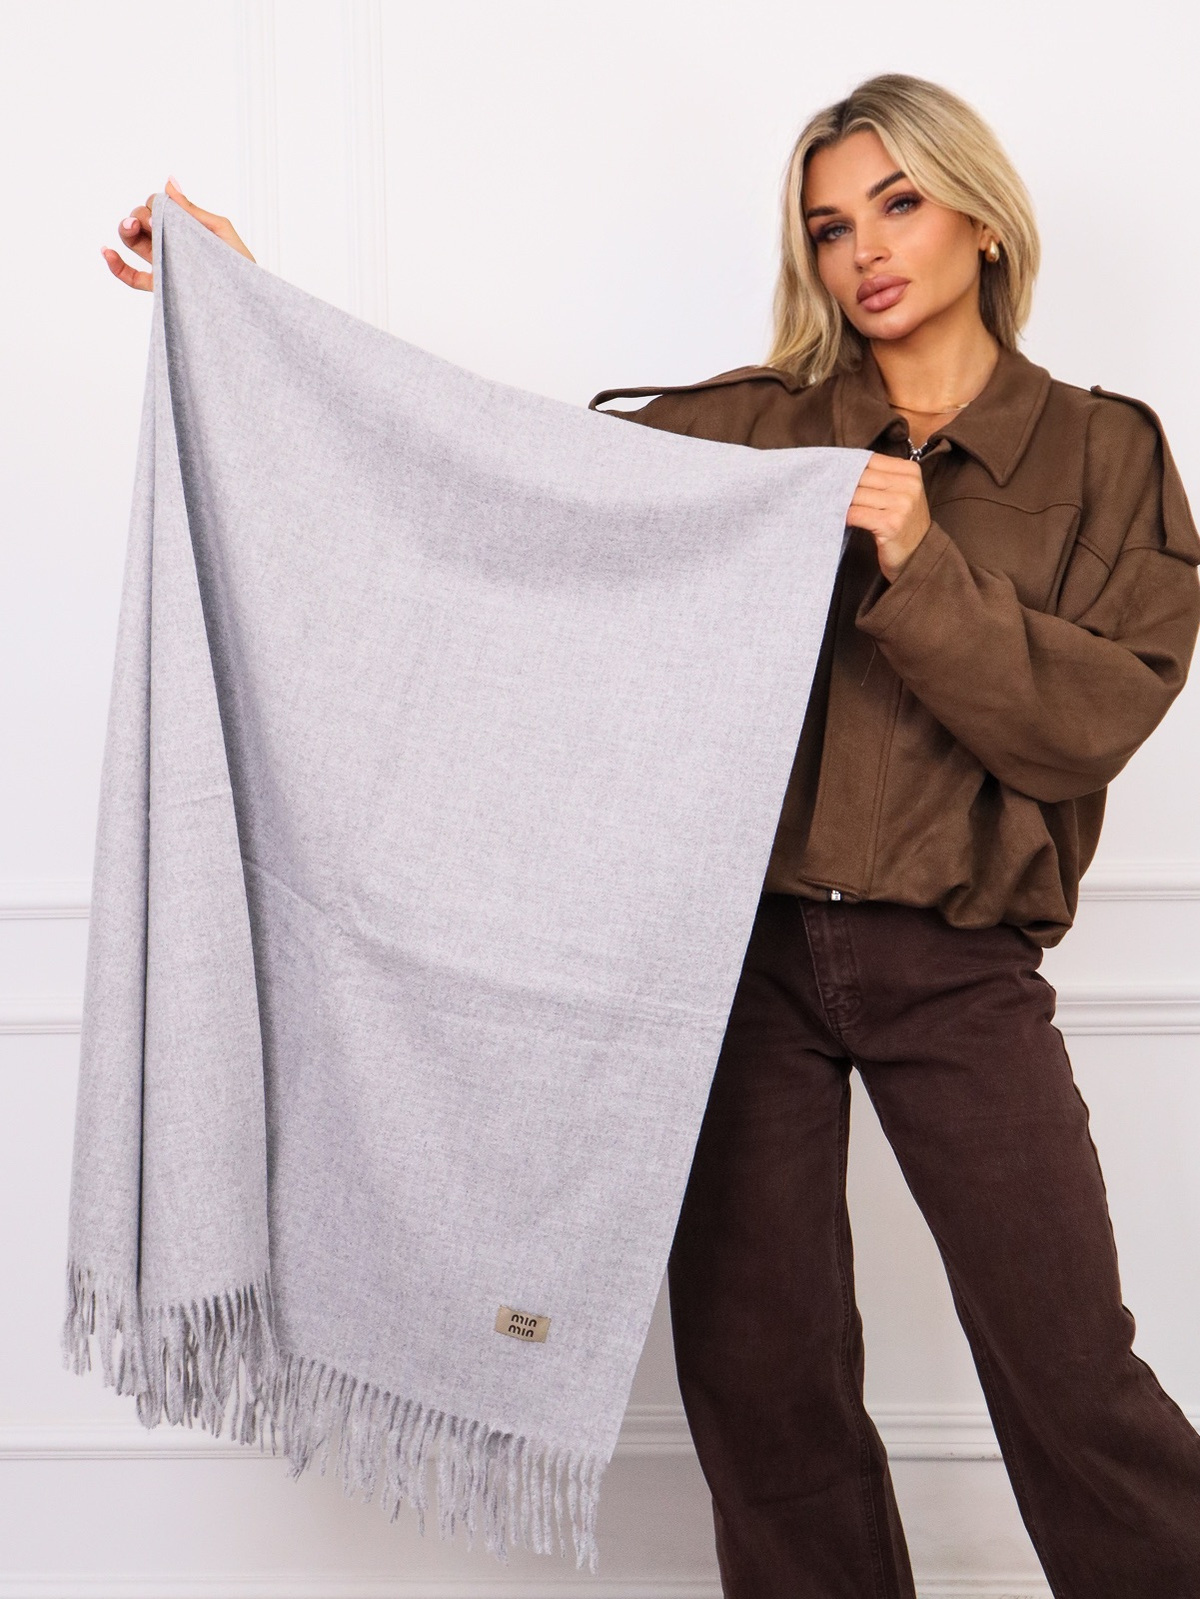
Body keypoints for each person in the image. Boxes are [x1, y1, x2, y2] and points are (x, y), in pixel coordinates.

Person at [105, 74, 1200, 1596]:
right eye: (831, 226)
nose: (867, 251)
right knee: (763, 1391)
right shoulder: (748, 430)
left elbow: (1089, 720)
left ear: (983, 219)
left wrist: (919, 560)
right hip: (729, 973)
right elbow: (501, 487)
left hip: (957, 965)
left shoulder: (1102, 454)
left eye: (899, 203)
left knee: (1069, 1371)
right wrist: (255, 307)